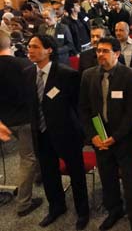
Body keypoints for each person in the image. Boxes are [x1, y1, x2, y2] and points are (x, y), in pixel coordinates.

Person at [25, 34, 89, 229]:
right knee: (48, 173)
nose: (30, 50)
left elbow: (79, 106)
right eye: (29, 46)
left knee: (76, 174)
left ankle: (82, 211)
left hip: (66, 133)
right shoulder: (28, 73)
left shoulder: (66, 74)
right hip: (41, 133)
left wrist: (82, 133)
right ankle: (56, 207)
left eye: (36, 47)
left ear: (49, 50)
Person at [79, 37, 132, 231]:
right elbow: (83, 109)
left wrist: (116, 137)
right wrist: (93, 137)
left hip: (123, 138)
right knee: (107, 178)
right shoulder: (88, 75)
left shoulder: (130, 75)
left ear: (117, 54)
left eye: (105, 51)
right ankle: (114, 210)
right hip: (100, 138)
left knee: (130, 180)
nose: (100, 54)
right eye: (98, 51)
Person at [0, 29, 42, 217]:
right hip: (25, 119)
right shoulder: (25, 65)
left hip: (4, 121)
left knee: (29, 157)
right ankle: (24, 203)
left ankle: (39, 177)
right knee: (28, 159)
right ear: (10, 44)